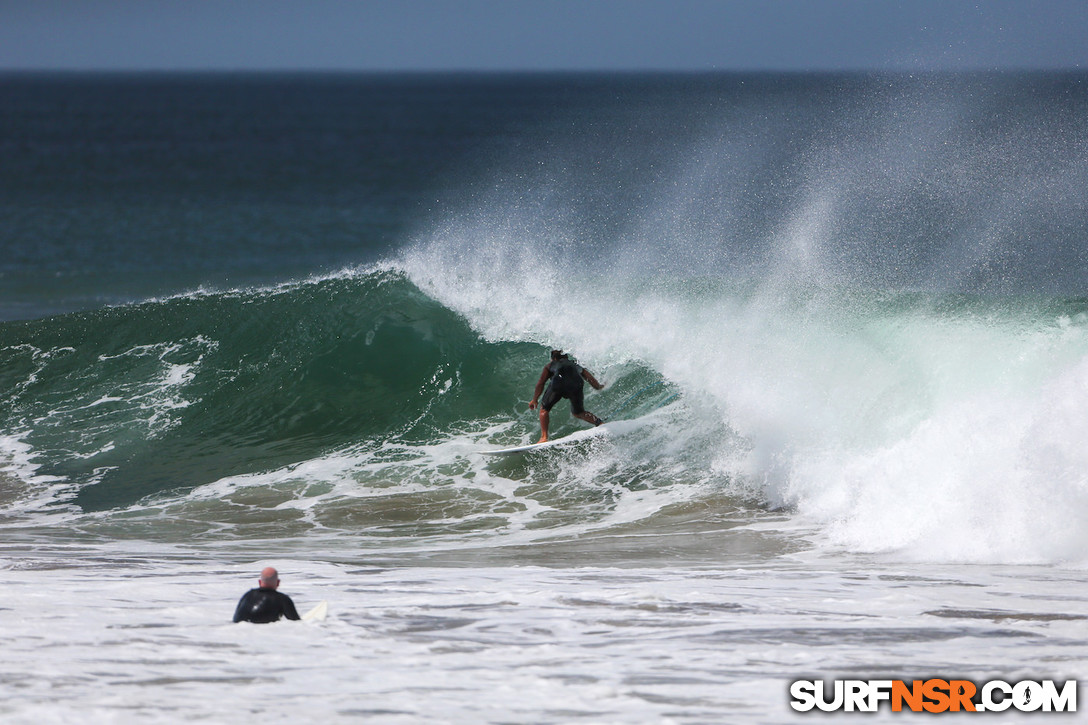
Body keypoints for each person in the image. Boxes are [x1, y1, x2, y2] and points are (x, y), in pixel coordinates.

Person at [528, 350, 604, 443]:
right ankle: (599, 423)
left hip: (558, 386)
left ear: (553, 358)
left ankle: (544, 437)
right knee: (579, 412)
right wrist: (598, 387)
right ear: (566, 357)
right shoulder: (574, 364)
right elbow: (589, 377)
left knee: (544, 409)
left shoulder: (550, 365)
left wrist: (534, 399)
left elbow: (541, 383)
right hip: (576, 385)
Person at [233, 566, 301, 623]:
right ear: (278, 582)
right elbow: (295, 622)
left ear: (259, 582)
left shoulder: (247, 595)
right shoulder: (282, 599)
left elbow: (236, 619)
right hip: (265, 634)